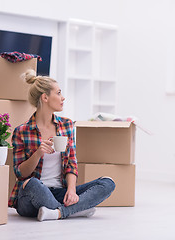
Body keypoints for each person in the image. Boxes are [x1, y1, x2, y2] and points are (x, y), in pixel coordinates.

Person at [8, 69, 115, 221]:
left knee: (107, 183)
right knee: (32, 183)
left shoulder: (67, 125)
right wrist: (38, 153)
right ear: (45, 97)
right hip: (31, 198)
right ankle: (75, 210)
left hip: (60, 192)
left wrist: (71, 190)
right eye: (58, 93)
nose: (63, 98)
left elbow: (71, 163)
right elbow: (20, 174)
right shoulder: (22, 131)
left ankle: (57, 212)